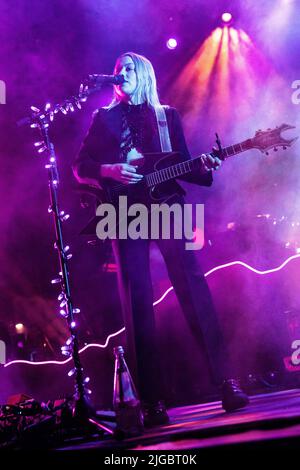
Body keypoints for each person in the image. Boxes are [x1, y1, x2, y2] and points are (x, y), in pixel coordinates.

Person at [73, 52, 249, 426]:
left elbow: (183, 162)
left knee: (194, 291)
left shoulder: (165, 115)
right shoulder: (103, 117)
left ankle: (226, 383)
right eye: (117, 69)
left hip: (167, 205)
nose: (120, 73)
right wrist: (109, 169)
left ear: (145, 73)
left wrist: (206, 166)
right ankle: (151, 400)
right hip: (122, 211)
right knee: (137, 303)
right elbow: (79, 166)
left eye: (128, 68)